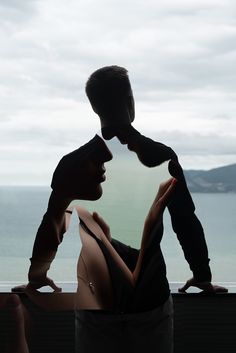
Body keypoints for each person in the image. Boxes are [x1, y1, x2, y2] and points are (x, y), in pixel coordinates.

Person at [13, 134, 177, 352]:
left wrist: (37, 277)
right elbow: (53, 226)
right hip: (143, 300)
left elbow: (53, 225)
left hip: (108, 301)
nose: (105, 176)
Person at [85, 65, 228, 294]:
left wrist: (37, 277)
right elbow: (184, 221)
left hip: (97, 296)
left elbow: (53, 225)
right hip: (149, 295)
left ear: (94, 107)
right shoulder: (161, 156)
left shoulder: (78, 161)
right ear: (130, 101)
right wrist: (202, 275)